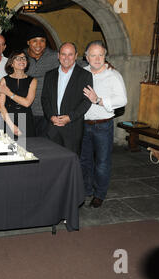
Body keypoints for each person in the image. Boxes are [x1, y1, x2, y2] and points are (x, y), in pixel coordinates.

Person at [81, 40, 128, 208]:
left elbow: (122, 100)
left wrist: (99, 100)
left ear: (105, 55)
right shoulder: (82, 72)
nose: (97, 58)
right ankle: (86, 190)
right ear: (86, 57)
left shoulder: (113, 75)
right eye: (93, 55)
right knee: (84, 161)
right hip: (84, 125)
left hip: (103, 125)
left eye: (101, 55)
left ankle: (99, 194)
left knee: (102, 163)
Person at [41, 42, 93, 155]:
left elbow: (86, 102)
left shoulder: (85, 75)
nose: (66, 58)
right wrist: (50, 116)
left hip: (72, 128)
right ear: (58, 55)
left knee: (70, 164)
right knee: (52, 162)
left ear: (76, 56)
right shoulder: (50, 75)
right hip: (53, 127)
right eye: (63, 54)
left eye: (70, 54)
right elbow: (44, 98)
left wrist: (70, 117)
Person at [24, 26, 58, 137]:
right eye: (35, 41)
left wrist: (103, 64)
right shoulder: (20, 57)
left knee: (44, 147)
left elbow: (74, 63)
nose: (39, 45)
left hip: (46, 112)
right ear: (28, 42)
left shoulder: (54, 56)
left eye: (42, 41)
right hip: (25, 111)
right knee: (25, 146)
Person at [0, 50, 36, 137]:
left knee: (29, 148)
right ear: (11, 63)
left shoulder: (33, 81)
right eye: (17, 58)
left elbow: (27, 103)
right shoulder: (4, 80)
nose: (21, 60)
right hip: (8, 119)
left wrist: (9, 93)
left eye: (24, 58)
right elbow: (0, 105)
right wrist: (11, 126)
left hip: (26, 119)